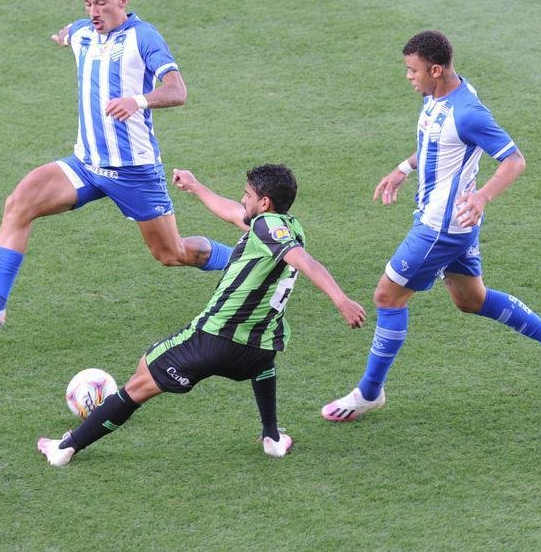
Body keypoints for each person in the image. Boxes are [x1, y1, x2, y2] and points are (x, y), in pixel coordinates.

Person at [0, 0, 234, 331]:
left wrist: (137, 101)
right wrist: (62, 35)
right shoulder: (82, 33)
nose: (94, 10)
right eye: (88, 3)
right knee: (20, 202)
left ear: (123, 0)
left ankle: (247, 261)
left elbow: (177, 90)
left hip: (133, 171)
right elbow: (69, 33)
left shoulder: (143, 37)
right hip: (86, 164)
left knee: (172, 254)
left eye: (102, 2)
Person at [321, 30, 541, 422]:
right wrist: (402, 169)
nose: (409, 77)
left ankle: (369, 392)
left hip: (440, 227)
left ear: (437, 69)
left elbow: (514, 161)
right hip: (452, 222)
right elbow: (435, 141)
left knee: (387, 297)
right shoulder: (437, 97)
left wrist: (482, 197)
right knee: (470, 300)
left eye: (414, 70)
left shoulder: (469, 112)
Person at [36, 164, 366, 465]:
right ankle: (272, 437)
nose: (243, 198)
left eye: (248, 195)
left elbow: (302, 260)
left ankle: (66, 448)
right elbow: (234, 213)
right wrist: (196, 187)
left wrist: (341, 299)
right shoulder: (287, 227)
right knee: (264, 366)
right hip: (259, 347)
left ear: (264, 203)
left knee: (139, 382)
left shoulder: (268, 227)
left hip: (214, 339)